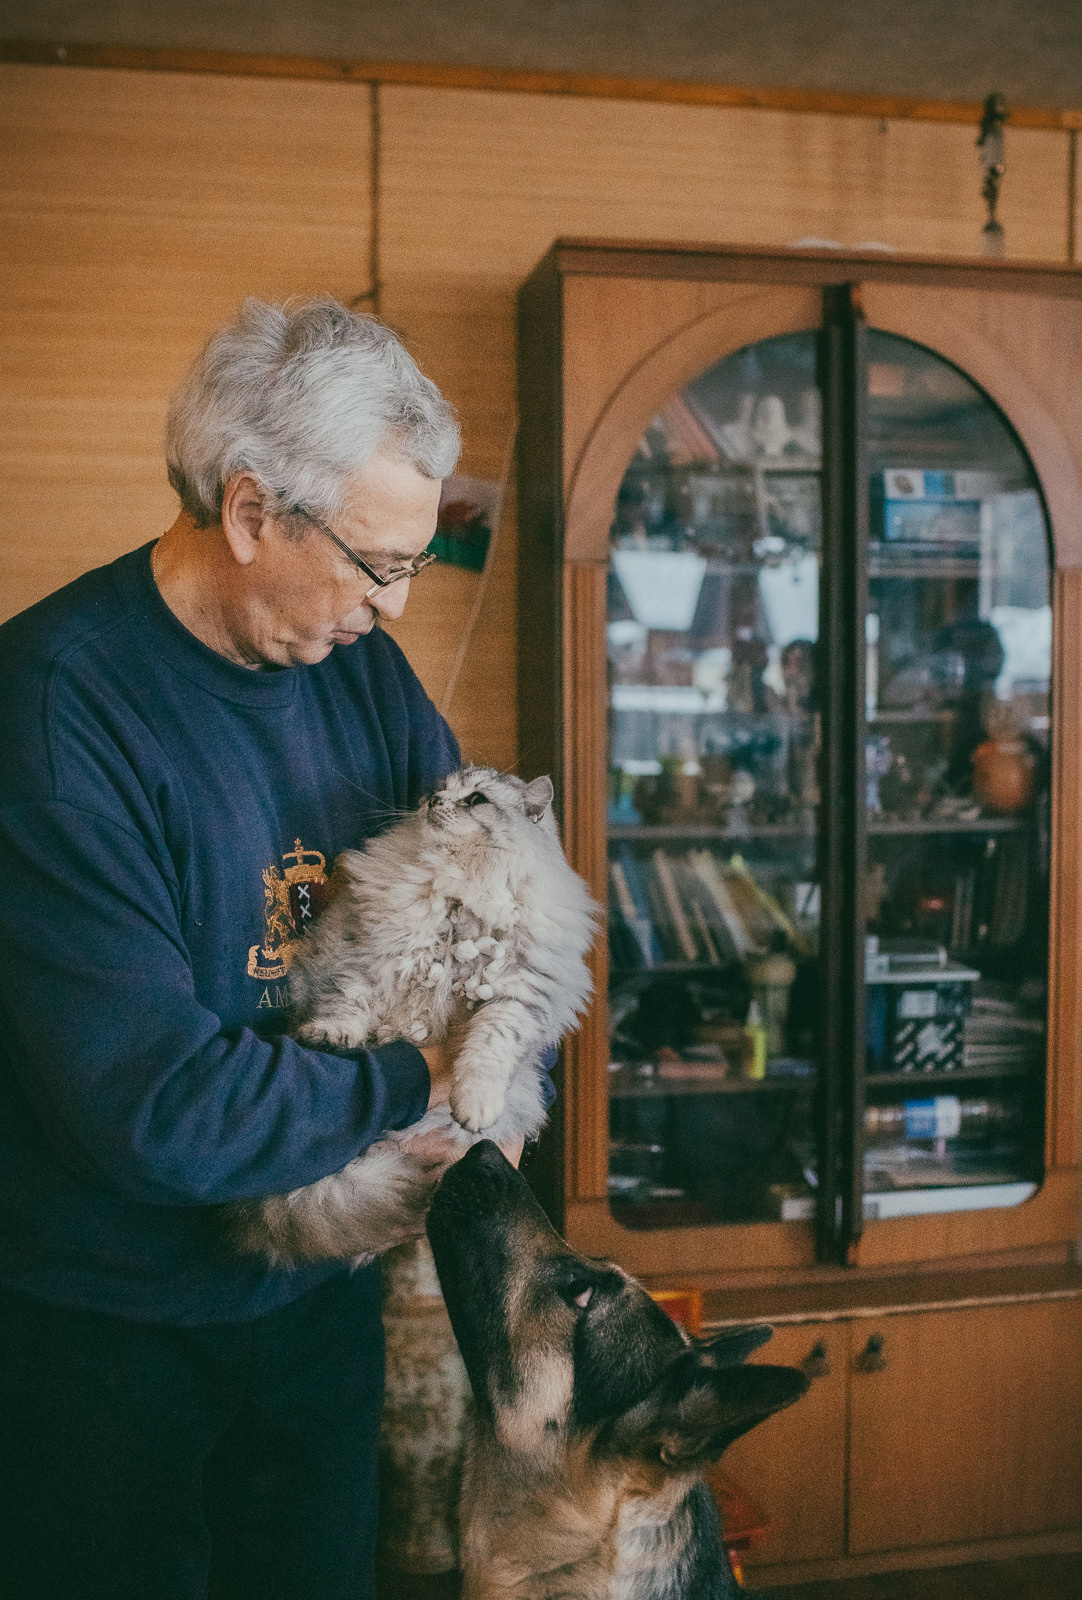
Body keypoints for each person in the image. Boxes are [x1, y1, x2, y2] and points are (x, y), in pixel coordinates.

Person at [0, 298, 537, 1600]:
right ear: (249, 512)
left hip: (313, 1292)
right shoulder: (55, 717)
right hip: (107, 1326)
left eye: (415, 560)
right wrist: (424, 1079)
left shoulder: (352, 665)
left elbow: (484, 896)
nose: (395, 604)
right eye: (373, 562)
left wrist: (506, 1050)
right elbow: (160, 1109)